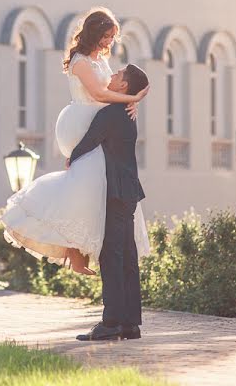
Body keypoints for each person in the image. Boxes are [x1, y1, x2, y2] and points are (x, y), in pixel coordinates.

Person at [0, 8, 150, 276]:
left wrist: (130, 105)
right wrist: (133, 100)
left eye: (112, 37)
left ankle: (82, 252)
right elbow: (100, 93)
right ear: (94, 32)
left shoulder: (101, 60)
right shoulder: (80, 61)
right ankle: (76, 253)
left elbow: (117, 87)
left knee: (91, 186)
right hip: (82, 124)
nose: (109, 42)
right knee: (84, 183)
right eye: (106, 36)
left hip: (100, 122)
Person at [68, 63, 149, 341]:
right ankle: (130, 324)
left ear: (123, 86)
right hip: (129, 191)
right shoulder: (127, 113)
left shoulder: (112, 112)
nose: (111, 76)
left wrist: (71, 159)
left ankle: (111, 322)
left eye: (117, 75)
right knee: (127, 256)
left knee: (111, 256)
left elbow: (90, 141)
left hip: (114, 192)